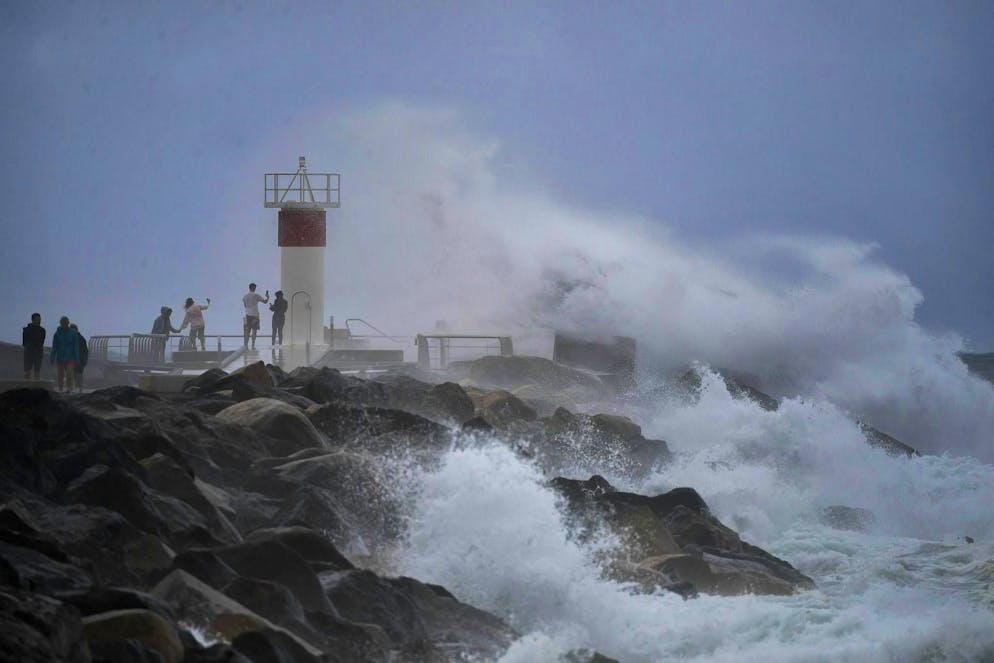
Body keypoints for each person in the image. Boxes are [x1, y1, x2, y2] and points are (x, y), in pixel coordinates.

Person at [49, 316, 79, 393]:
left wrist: (77, 358)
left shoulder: (73, 333)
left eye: (66, 323)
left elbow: (75, 346)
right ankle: (60, 388)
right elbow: (54, 347)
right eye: (63, 323)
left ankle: (69, 387)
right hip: (60, 357)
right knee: (60, 374)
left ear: (68, 323)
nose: (65, 325)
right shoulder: (57, 334)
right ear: (61, 324)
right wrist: (52, 357)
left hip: (70, 357)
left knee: (69, 372)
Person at [242, 283, 269, 349]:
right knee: (254, 331)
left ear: (249, 288)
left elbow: (245, 306)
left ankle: (246, 345)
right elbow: (265, 302)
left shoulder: (245, 296)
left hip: (248, 315)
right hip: (255, 315)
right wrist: (268, 297)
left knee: (247, 331)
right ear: (254, 288)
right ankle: (253, 345)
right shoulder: (256, 295)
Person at [22, 313, 46, 380]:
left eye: (39, 320)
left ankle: (36, 387)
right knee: (27, 371)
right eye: (37, 319)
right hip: (29, 352)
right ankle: (26, 386)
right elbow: (24, 342)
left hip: (38, 352)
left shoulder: (42, 330)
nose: (39, 321)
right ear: (33, 320)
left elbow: (42, 342)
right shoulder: (26, 330)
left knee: (37, 371)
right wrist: (29, 347)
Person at [69, 323, 88, 393]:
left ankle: (78, 389)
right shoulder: (80, 338)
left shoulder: (80, 339)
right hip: (76, 359)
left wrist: (84, 360)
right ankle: (78, 389)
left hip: (78, 360)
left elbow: (85, 351)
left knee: (77, 374)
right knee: (76, 374)